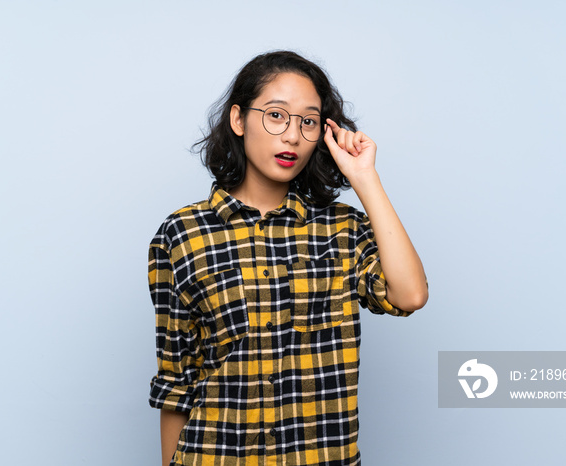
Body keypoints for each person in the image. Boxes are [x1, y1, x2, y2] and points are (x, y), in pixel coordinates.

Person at [148, 50, 428, 465]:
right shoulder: (182, 234)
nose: (293, 136)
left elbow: (409, 295)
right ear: (238, 120)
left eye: (308, 121)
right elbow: (177, 382)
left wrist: (365, 178)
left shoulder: (342, 230)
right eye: (276, 115)